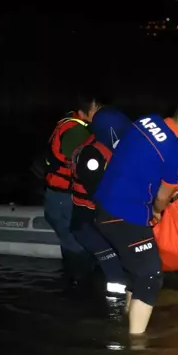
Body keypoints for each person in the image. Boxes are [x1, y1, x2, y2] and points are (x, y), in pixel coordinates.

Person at [93, 101, 178, 335]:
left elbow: (137, 160)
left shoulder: (146, 121)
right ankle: (137, 347)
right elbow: (162, 199)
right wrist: (158, 210)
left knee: (136, 271)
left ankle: (128, 321)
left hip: (103, 206)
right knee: (151, 275)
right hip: (125, 214)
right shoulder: (175, 152)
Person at [69, 106, 132, 297]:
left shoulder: (111, 150)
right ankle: (116, 308)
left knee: (117, 261)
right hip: (86, 222)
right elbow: (100, 192)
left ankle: (91, 293)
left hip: (102, 220)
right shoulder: (91, 156)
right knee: (111, 261)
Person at [44, 94, 101, 283]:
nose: (100, 113)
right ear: (85, 112)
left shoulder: (71, 124)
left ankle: (74, 285)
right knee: (75, 244)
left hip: (58, 194)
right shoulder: (77, 131)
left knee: (72, 242)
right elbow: (81, 166)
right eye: (96, 109)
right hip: (63, 196)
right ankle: (78, 286)